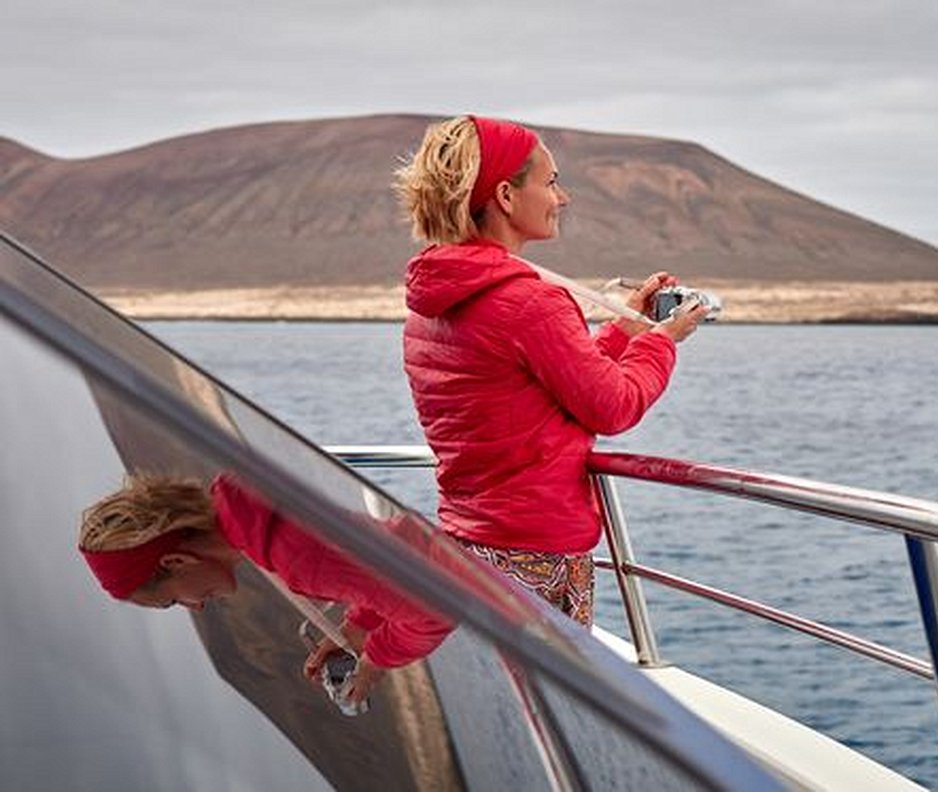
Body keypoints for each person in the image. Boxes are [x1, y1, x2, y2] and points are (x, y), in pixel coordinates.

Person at [394, 115, 708, 626]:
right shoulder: (528, 301)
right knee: (539, 698)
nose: (563, 198)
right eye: (552, 182)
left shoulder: (434, 299)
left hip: (468, 541)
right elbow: (613, 405)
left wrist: (627, 329)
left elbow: (555, 376)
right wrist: (662, 341)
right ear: (505, 196)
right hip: (535, 549)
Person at [78, 473, 452, 705]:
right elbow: (384, 561)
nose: (195, 607)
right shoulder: (252, 496)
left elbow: (436, 608)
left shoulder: (296, 560)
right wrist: (358, 629)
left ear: (176, 562)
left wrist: (375, 661)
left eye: (174, 599)